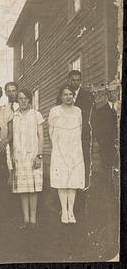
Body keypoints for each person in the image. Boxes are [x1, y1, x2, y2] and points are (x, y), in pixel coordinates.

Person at [49, 84, 85, 224]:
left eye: (71, 94)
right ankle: (64, 210)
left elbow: (79, 130)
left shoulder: (78, 111)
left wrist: (74, 147)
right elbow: (51, 131)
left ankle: (71, 211)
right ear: (60, 96)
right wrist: (57, 148)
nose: (68, 97)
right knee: (62, 180)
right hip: (59, 149)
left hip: (74, 149)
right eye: (65, 94)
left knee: (73, 181)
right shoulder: (55, 111)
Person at [12, 88, 44, 229]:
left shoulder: (36, 115)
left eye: (25, 98)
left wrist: (39, 156)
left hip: (33, 156)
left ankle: (33, 219)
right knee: (23, 189)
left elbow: (41, 137)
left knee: (33, 189)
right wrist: (14, 154)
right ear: (17, 100)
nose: (23, 101)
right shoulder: (15, 116)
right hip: (20, 156)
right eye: (20, 98)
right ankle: (25, 219)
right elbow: (14, 137)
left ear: (29, 100)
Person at [67, 70, 95, 189]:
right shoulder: (64, 94)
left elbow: (91, 116)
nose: (75, 83)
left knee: (84, 158)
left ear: (80, 81)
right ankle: (71, 183)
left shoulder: (88, 96)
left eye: (78, 80)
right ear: (69, 80)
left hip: (83, 134)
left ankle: (84, 185)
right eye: (73, 80)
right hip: (67, 135)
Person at [94, 80, 120, 192]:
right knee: (107, 174)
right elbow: (98, 131)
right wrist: (104, 143)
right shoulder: (101, 111)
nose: (111, 94)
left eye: (113, 91)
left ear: (118, 92)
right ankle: (110, 198)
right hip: (107, 148)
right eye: (109, 92)